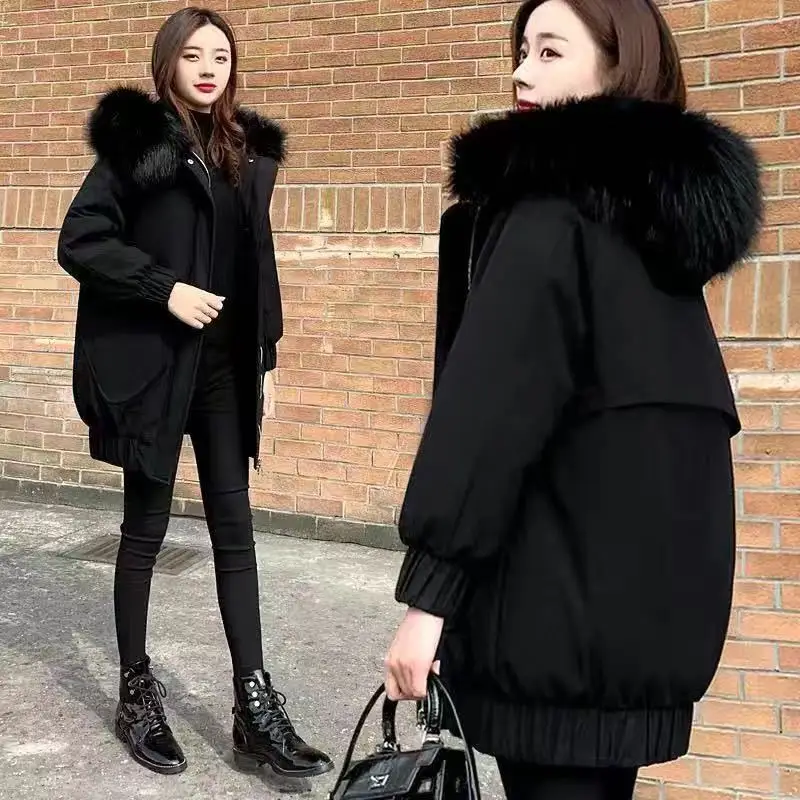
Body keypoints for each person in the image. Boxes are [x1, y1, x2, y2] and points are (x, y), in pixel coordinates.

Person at [384, 0, 763, 798]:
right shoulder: (655, 235)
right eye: (522, 50)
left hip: (547, 638)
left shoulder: (550, 214)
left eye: (551, 52)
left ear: (618, 66)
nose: (522, 72)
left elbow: (487, 417)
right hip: (636, 645)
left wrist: (428, 603)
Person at [57, 6, 333, 780]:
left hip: (222, 373)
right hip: (156, 368)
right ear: (167, 64)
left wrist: (266, 358)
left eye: (220, 55)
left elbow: (257, 264)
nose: (209, 68)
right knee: (143, 533)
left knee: (235, 533)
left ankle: (254, 707)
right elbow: (80, 239)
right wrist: (164, 288)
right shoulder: (138, 144)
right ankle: (136, 694)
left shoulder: (242, 149)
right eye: (193, 55)